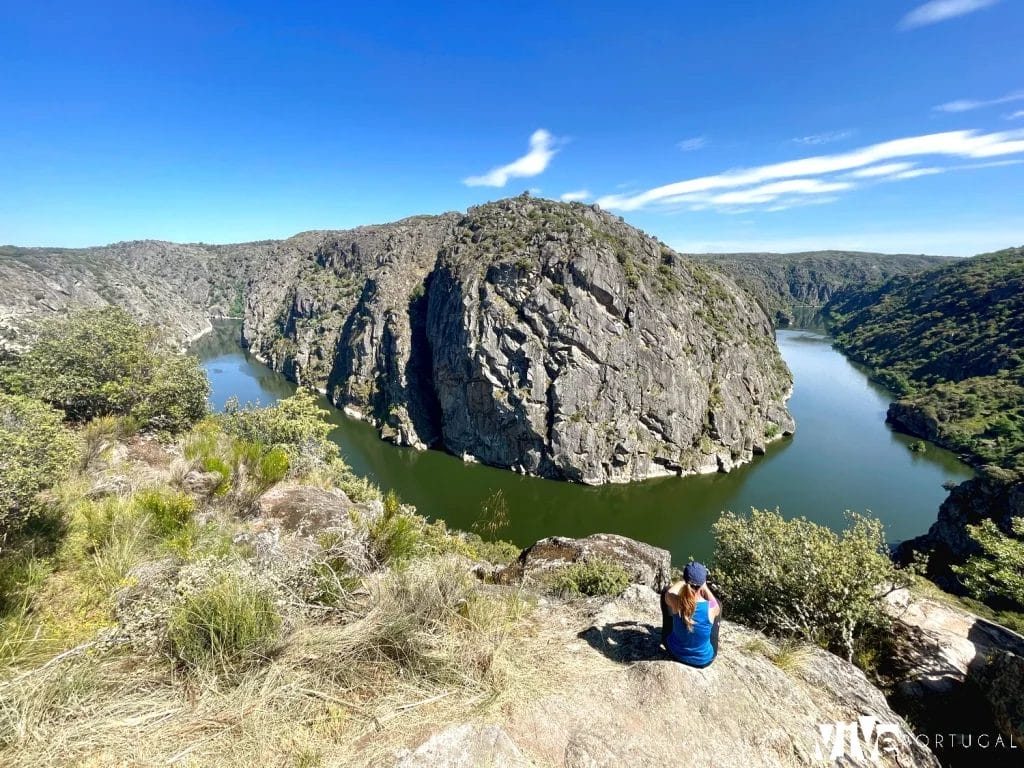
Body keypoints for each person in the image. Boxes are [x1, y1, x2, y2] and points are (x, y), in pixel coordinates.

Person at [660, 561, 721, 668]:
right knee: (718, 605)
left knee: (665, 591)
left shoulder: (675, 600)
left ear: (685, 580)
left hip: (674, 653)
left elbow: (669, 592)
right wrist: (704, 587)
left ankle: (671, 627)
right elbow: (715, 604)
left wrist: (683, 582)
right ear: (703, 583)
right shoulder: (711, 608)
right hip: (703, 661)